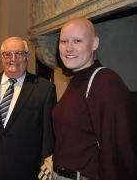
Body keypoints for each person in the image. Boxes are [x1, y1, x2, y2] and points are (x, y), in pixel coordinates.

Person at [0, 36, 57, 180]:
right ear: (2, 57)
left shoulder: (44, 89)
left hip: (26, 171)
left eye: (19, 53)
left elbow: (48, 137)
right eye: (8, 54)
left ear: (27, 57)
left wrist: (45, 172)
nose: (13, 58)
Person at [52, 17, 136, 180]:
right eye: (63, 41)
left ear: (94, 43)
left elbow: (117, 148)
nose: (68, 48)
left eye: (77, 40)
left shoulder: (105, 81)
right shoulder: (76, 80)